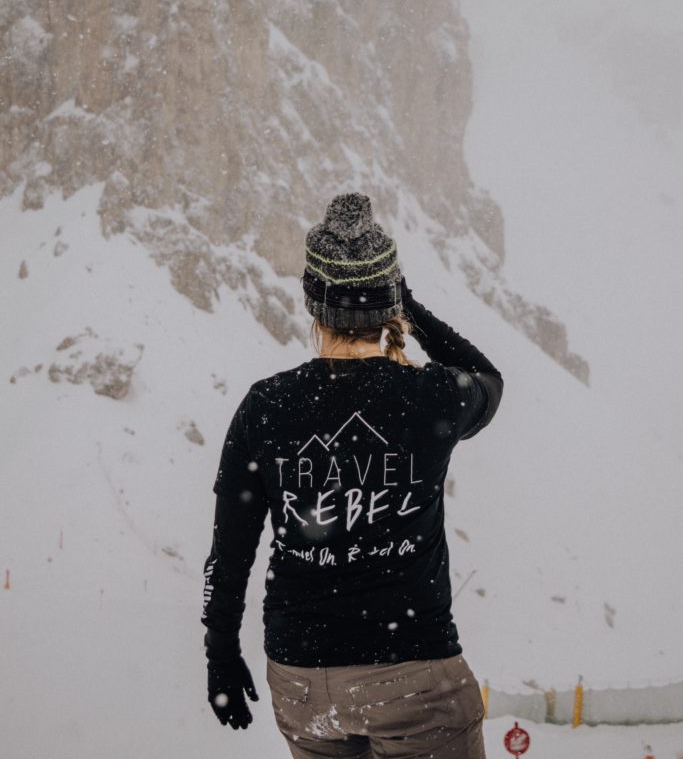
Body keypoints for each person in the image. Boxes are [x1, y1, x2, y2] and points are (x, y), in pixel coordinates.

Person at [201, 191, 504, 758]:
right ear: (389, 304)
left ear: (312, 302)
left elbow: (230, 549)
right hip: (414, 673)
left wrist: (220, 648)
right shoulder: (432, 396)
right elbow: (486, 377)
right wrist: (406, 305)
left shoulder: (265, 405)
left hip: (301, 681)